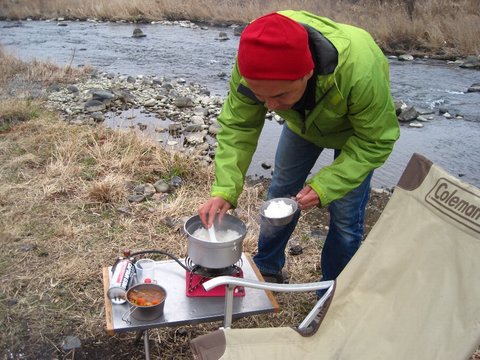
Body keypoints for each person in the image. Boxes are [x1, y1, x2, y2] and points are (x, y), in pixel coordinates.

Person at [198, 10, 400, 286]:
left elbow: (376, 140)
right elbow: (239, 128)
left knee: (344, 217)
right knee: (280, 193)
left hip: (355, 133)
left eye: (280, 94)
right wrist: (224, 189)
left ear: (307, 72)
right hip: (301, 124)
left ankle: (331, 292)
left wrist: (326, 186)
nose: (270, 107)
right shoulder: (252, 60)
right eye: (261, 96)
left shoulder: (359, 70)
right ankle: (267, 268)